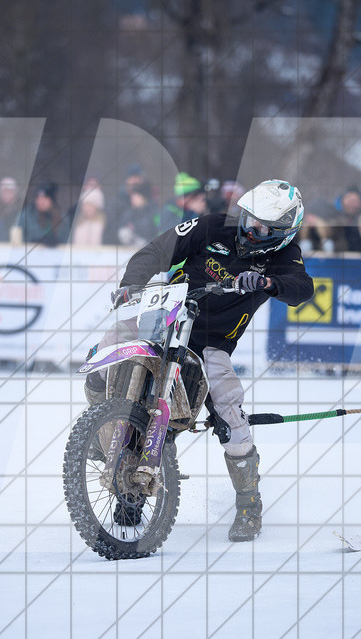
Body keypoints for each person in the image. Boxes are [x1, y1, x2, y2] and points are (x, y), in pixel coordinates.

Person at [93, 179, 313, 542]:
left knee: (229, 412)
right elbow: (158, 249)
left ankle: (249, 504)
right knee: (105, 351)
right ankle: (102, 438)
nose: (251, 231)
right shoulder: (214, 225)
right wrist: (130, 284)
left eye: (262, 229)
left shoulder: (284, 257)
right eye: (249, 220)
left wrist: (266, 283)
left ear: (282, 234)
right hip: (165, 317)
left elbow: (302, 287)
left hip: (211, 343)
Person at [18, 181, 70, 246]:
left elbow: (66, 241)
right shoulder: (27, 216)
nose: (40, 202)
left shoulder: (63, 219)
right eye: (38, 198)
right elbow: (20, 237)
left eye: (44, 198)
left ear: (52, 200)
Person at [114, 180, 158, 247]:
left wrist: (135, 228)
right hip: (127, 249)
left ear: (144, 198)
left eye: (136, 196)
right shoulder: (128, 214)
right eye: (132, 196)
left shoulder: (153, 213)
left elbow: (153, 233)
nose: (133, 199)